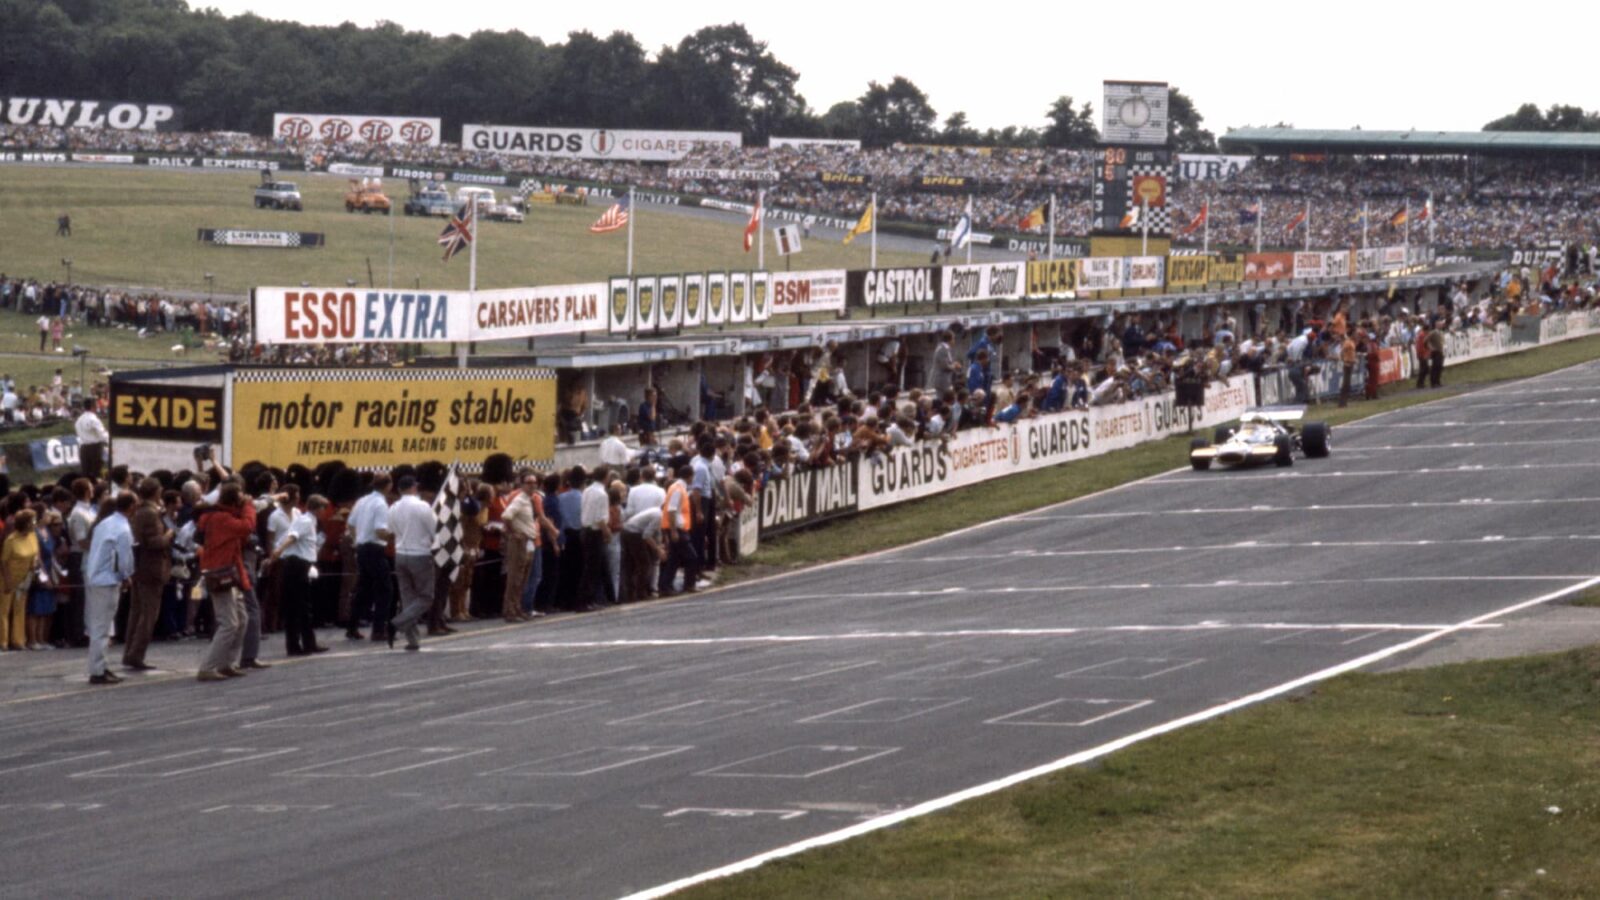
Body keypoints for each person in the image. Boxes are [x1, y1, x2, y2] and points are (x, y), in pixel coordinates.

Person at [196, 483, 254, 682]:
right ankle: (209, 666)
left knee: (241, 619)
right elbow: (247, 527)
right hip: (221, 572)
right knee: (229, 623)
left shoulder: (218, 516)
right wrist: (249, 507)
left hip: (229, 571)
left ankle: (227, 663)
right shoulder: (222, 519)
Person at [269, 493, 329, 656]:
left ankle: (306, 643)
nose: (325, 511)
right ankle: (296, 645)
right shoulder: (305, 521)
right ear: (317, 508)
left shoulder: (311, 521)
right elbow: (292, 537)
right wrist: (279, 550)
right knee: (297, 606)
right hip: (297, 565)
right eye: (323, 507)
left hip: (302, 565)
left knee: (302, 606)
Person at [84, 493, 135, 685]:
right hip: (107, 580)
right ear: (130, 506)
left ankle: (102, 666)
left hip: (95, 575)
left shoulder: (104, 523)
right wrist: (126, 576)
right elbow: (124, 559)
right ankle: (97, 670)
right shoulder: (123, 529)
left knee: (100, 625)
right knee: (102, 627)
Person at [123, 477, 172, 671]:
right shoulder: (150, 514)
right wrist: (167, 536)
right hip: (151, 568)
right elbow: (153, 542)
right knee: (148, 614)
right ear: (155, 492)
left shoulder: (140, 512)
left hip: (140, 568)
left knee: (137, 613)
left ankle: (130, 652)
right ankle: (136, 654)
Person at [386, 475, 436, 651]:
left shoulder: (393, 507)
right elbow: (434, 529)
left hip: (400, 553)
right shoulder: (422, 506)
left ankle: (413, 640)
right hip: (420, 553)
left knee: (408, 598)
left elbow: (390, 530)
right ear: (414, 487)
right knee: (426, 597)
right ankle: (396, 623)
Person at [347, 474, 393, 641]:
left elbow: (351, 524)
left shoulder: (362, 500)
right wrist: (395, 536)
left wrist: (356, 540)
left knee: (363, 589)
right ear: (388, 485)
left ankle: (352, 626)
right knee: (385, 590)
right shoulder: (381, 504)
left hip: (362, 547)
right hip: (375, 549)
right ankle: (379, 629)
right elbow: (380, 530)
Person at [0, 509, 39, 652]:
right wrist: (8, 581)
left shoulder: (33, 536)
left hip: (25, 579)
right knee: (3, 611)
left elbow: (36, 554)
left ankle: (18, 640)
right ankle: (2, 642)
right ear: (25, 523)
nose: (34, 523)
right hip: (8, 579)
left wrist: (35, 565)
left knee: (20, 610)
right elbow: (3, 562)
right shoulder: (11, 540)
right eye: (32, 521)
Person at [75, 397, 108, 480]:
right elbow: (102, 434)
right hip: (95, 448)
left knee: (85, 473)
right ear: (94, 406)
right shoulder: (93, 419)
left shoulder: (79, 420)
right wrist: (110, 441)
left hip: (83, 448)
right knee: (96, 473)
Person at [1426, 321, 1446, 388]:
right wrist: (1431, 348)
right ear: (1436, 325)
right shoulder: (1433, 332)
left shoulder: (1441, 332)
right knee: (1435, 367)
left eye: (1441, 325)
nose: (1441, 326)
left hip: (1440, 351)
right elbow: (1426, 340)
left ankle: (1438, 381)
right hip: (1435, 352)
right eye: (1439, 325)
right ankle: (1433, 382)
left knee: (1439, 367)